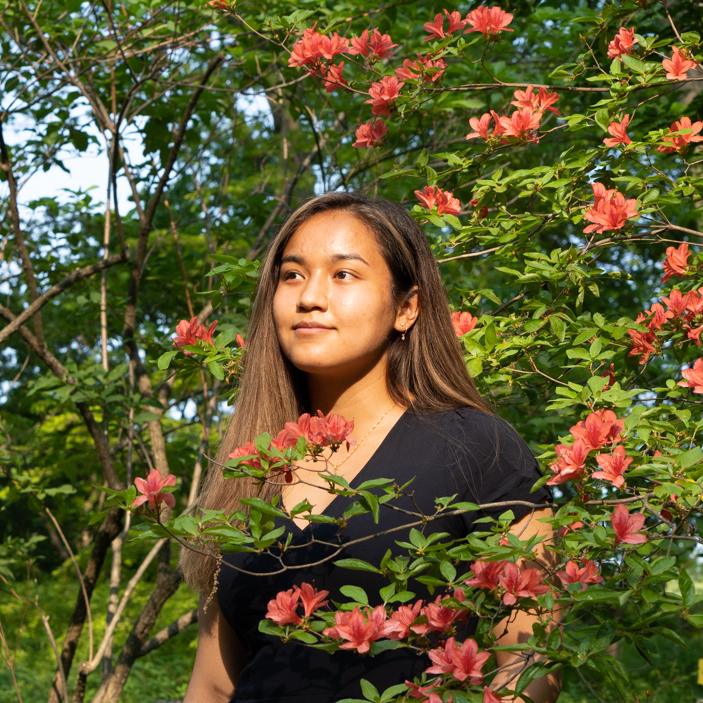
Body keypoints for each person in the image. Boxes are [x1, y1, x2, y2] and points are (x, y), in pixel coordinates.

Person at [182, 192, 560, 703]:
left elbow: (530, 662)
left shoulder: (478, 449)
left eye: (343, 274)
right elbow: (212, 685)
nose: (309, 297)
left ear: (406, 308)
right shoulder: (250, 474)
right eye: (292, 275)